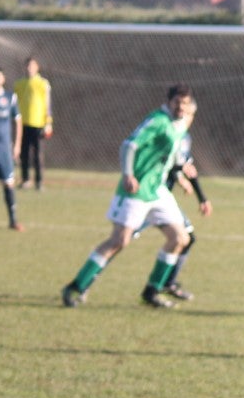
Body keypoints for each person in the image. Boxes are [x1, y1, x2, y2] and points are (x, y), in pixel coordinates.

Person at [61, 84, 199, 309]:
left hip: (158, 191)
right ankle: (75, 287)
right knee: (119, 240)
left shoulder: (179, 126)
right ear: (168, 102)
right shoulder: (157, 121)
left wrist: (182, 173)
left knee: (180, 239)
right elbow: (128, 145)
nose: (181, 107)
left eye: (185, 103)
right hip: (137, 190)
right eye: (177, 102)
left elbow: (169, 158)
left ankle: (152, 291)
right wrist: (128, 173)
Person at [132, 100, 210, 301]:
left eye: (191, 115)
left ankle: (166, 283)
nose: (187, 119)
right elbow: (164, 163)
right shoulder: (168, 132)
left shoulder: (184, 138)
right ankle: (83, 282)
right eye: (185, 114)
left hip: (161, 200)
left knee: (186, 238)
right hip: (149, 197)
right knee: (121, 239)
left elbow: (185, 166)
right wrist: (180, 175)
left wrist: (202, 198)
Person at [0, 67, 24, 231]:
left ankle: (13, 220)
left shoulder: (10, 98)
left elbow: (18, 122)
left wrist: (17, 145)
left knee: (8, 183)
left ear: (2, 79)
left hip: (3, 148)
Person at [13, 57, 52, 191]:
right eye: (27, 66)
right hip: (23, 124)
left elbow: (48, 104)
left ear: (37, 67)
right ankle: (25, 180)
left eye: (32, 66)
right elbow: (15, 104)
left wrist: (48, 122)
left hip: (38, 123)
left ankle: (39, 182)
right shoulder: (19, 84)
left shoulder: (42, 83)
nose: (30, 68)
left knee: (38, 154)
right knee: (24, 153)